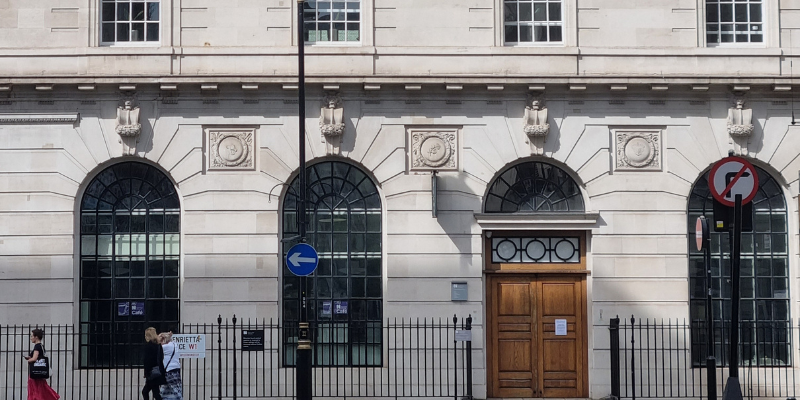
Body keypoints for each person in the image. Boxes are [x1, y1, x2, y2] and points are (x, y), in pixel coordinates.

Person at [24, 328, 60, 400]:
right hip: (40, 372)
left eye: (31, 336)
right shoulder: (41, 346)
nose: (31, 338)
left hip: (35, 373)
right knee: (42, 388)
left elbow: (34, 358)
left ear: (36, 337)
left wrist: (29, 360)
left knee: (35, 389)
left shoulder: (37, 346)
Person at [141, 327, 166, 400]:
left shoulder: (148, 346)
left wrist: (146, 372)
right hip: (158, 371)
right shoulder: (158, 346)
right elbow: (161, 359)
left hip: (151, 373)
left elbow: (147, 360)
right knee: (155, 393)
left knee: (147, 392)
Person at [159, 331, 182, 400]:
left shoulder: (165, 347)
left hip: (169, 370)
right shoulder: (174, 345)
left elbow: (157, 347)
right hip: (176, 369)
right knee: (173, 389)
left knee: (171, 389)